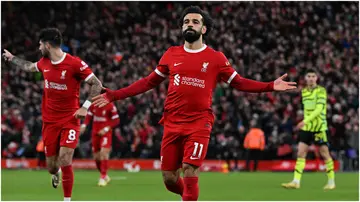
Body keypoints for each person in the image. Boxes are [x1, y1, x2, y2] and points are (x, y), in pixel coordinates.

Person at [92, 6, 296, 201]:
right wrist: (114, 95)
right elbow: (147, 82)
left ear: (204, 29)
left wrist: (270, 86)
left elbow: (240, 82)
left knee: (190, 169)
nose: (190, 25)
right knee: (170, 179)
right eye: (186, 22)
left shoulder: (216, 58)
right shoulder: (171, 54)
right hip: (172, 123)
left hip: (199, 123)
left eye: (195, 22)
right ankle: (188, 197)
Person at [2, 28, 103, 201]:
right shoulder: (44, 63)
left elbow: (97, 84)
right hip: (50, 122)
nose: (39, 47)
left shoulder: (75, 64)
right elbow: (29, 67)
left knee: (65, 159)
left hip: (71, 119)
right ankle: (54, 173)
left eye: (40, 44)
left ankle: (67, 199)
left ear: (47, 45)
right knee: (51, 166)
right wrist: (13, 59)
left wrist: (85, 107)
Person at [282, 69, 335, 190]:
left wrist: (304, 121)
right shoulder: (304, 92)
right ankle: (296, 181)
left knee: (324, 153)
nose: (311, 78)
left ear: (316, 78)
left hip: (319, 127)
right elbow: (306, 110)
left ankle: (331, 182)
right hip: (307, 128)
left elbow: (319, 109)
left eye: (313, 76)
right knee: (301, 153)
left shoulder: (321, 91)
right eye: (309, 76)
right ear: (305, 78)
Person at [80, 102, 120, 186]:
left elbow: (116, 120)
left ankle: (102, 177)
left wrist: (106, 129)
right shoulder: (93, 105)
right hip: (95, 133)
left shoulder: (110, 105)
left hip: (106, 132)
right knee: (96, 157)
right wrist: (84, 125)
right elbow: (89, 116)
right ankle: (104, 175)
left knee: (104, 152)